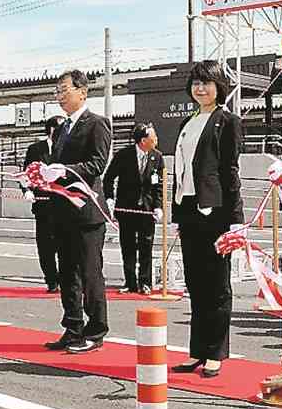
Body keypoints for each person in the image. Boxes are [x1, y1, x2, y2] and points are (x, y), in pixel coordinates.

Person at [170, 60, 243, 378]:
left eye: (207, 82)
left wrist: (236, 219)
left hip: (214, 212)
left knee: (216, 284)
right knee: (195, 283)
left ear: (219, 87)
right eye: (196, 83)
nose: (200, 88)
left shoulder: (226, 121)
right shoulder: (189, 121)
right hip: (189, 209)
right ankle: (198, 351)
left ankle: (216, 352)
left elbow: (230, 171)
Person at [43, 70, 112, 354]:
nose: (60, 96)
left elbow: (97, 163)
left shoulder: (98, 123)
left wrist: (66, 170)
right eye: (57, 92)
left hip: (87, 213)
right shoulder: (60, 128)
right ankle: (72, 328)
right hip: (62, 212)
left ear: (82, 92)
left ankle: (95, 331)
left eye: (64, 90)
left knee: (89, 272)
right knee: (67, 273)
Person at [103, 122, 164, 295]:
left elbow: (157, 185)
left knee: (147, 245)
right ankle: (130, 282)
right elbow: (108, 178)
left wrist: (158, 206)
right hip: (126, 209)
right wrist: (109, 199)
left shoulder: (157, 157)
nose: (156, 139)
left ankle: (145, 282)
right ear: (143, 140)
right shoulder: (124, 155)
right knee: (128, 246)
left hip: (146, 210)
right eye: (153, 136)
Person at [22, 116, 64, 293]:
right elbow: (26, 173)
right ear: (51, 130)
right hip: (43, 206)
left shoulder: (69, 148)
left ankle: (66, 279)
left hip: (64, 205)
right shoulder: (35, 149)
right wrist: (26, 190)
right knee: (45, 246)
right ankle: (51, 280)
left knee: (65, 245)